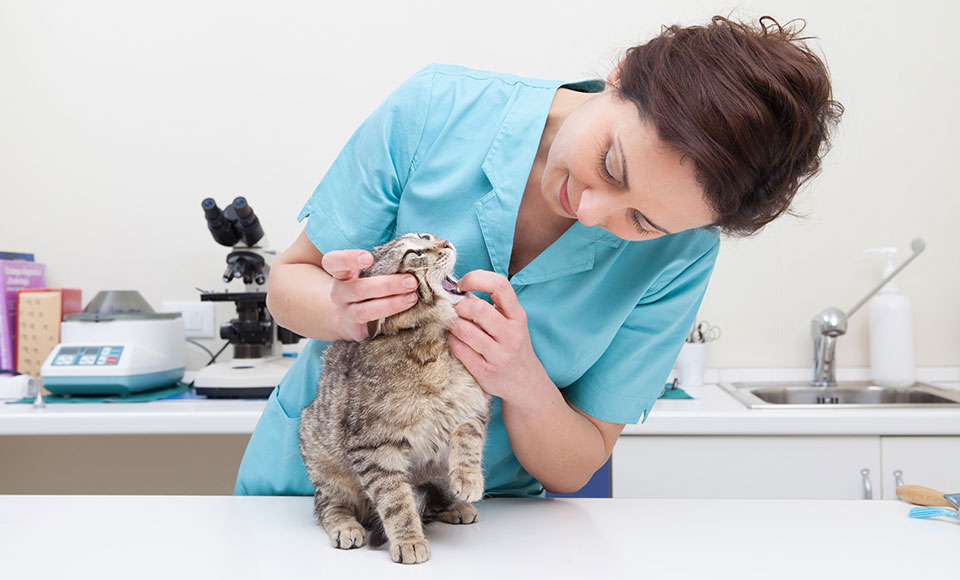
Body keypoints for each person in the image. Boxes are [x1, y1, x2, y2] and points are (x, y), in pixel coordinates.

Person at [234, 16, 842, 497]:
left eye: (643, 222)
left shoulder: (682, 253)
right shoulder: (436, 109)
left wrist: (523, 381)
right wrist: (342, 310)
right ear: (620, 76)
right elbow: (288, 285)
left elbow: (576, 466)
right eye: (611, 165)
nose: (592, 213)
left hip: (484, 521)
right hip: (316, 487)